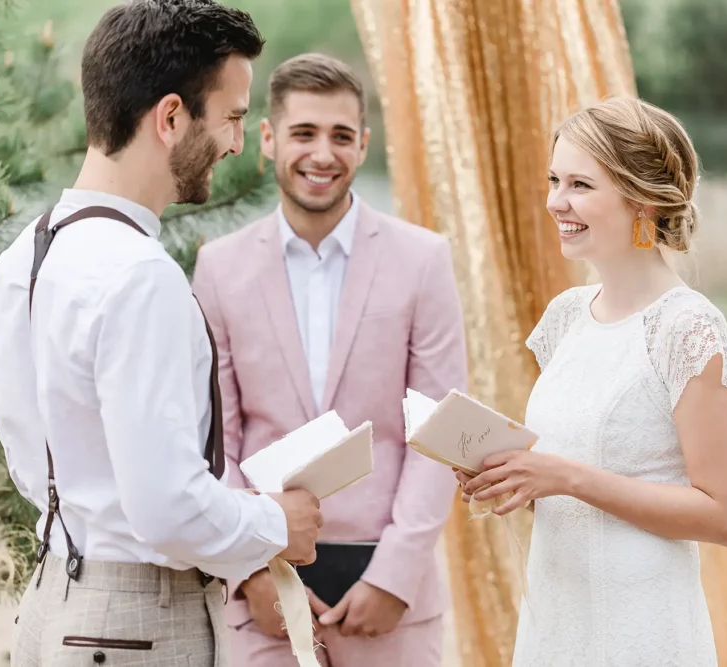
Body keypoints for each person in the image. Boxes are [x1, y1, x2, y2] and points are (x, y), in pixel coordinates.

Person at [0, 3, 323, 665]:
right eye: (231, 116)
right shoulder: (139, 275)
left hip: (52, 601)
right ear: (170, 118)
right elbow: (164, 510)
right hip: (136, 625)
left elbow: (42, 470)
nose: (236, 142)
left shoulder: (23, 257)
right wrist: (279, 522)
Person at [192, 52, 468, 667]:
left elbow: (440, 435)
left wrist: (394, 578)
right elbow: (217, 440)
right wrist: (251, 572)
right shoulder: (219, 268)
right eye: (304, 134)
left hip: (394, 603)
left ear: (364, 144)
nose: (323, 154)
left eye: (341, 136)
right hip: (264, 598)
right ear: (267, 139)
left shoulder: (423, 261)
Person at [457, 96, 727, 666]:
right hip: (558, 616)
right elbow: (570, 489)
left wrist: (566, 476)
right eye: (554, 180)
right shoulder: (565, 317)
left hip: (642, 625)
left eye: (580, 186)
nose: (555, 202)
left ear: (640, 198)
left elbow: (725, 516)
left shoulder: (686, 326)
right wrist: (511, 476)